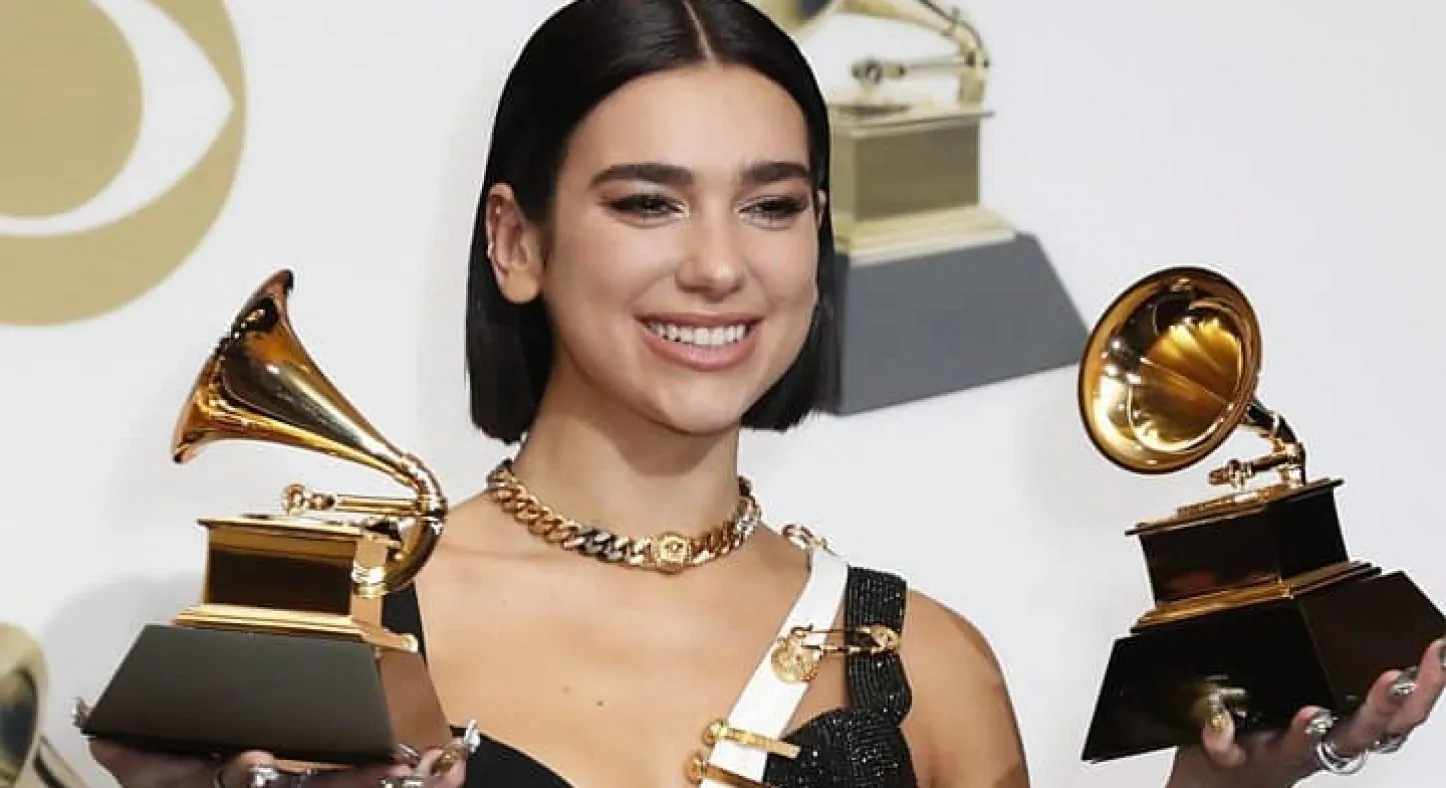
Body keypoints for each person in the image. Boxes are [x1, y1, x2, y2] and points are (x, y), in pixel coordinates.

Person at [85, 0, 1445, 786]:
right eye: (647, 202)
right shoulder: (333, 631)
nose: (721, 265)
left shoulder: (927, 668)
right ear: (515, 242)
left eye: (773, 204)